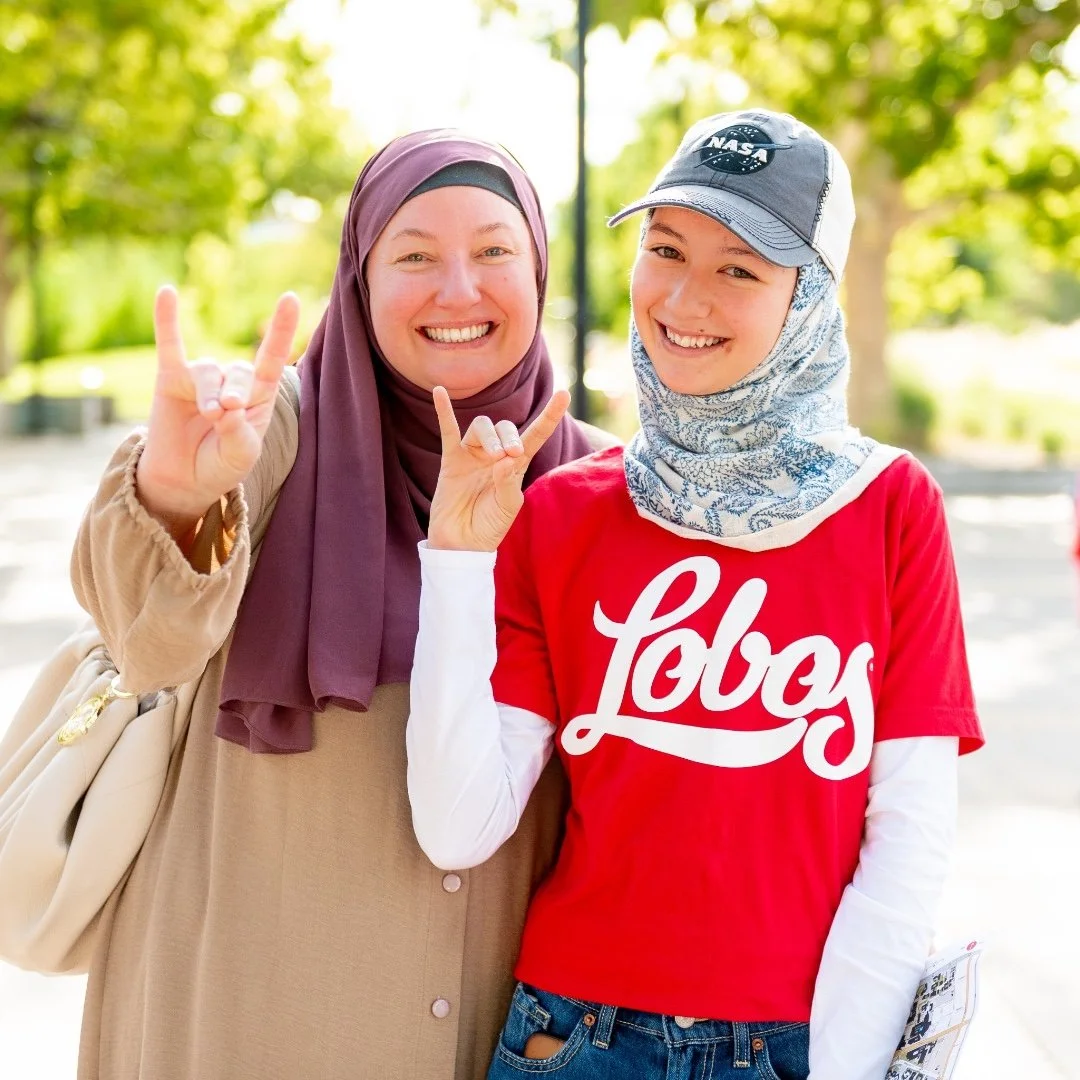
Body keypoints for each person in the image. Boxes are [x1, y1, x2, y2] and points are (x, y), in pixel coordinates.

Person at [407, 109, 985, 1080]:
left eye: (740, 269)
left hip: (800, 1039)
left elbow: (910, 839)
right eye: (665, 249)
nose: (683, 297)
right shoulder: (563, 514)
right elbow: (456, 824)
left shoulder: (890, 508)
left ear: (809, 300)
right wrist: (457, 562)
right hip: (570, 1037)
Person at [62, 130, 614, 1079]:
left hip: (501, 1034)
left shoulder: (595, 486)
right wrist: (176, 492)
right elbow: (144, 642)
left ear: (539, 270)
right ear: (358, 282)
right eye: (412, 255)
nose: (458, 289)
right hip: (243, 1017)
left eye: (493, 250)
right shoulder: (268, 434)